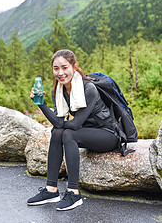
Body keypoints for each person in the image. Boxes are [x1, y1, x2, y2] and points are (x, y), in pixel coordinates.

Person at [27, 49, 119, 211]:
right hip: (87, 133)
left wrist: (59, 125)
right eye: (56, 68)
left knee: (68, 133)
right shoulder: (57, 91)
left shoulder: (88, 88)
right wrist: (40, 103)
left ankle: (74, 193)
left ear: (74, 67)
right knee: (57, 132)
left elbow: (75, 124)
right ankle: (51, 190)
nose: (60, 73)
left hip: (108, 134)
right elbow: (58, 122)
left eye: (64, 67)